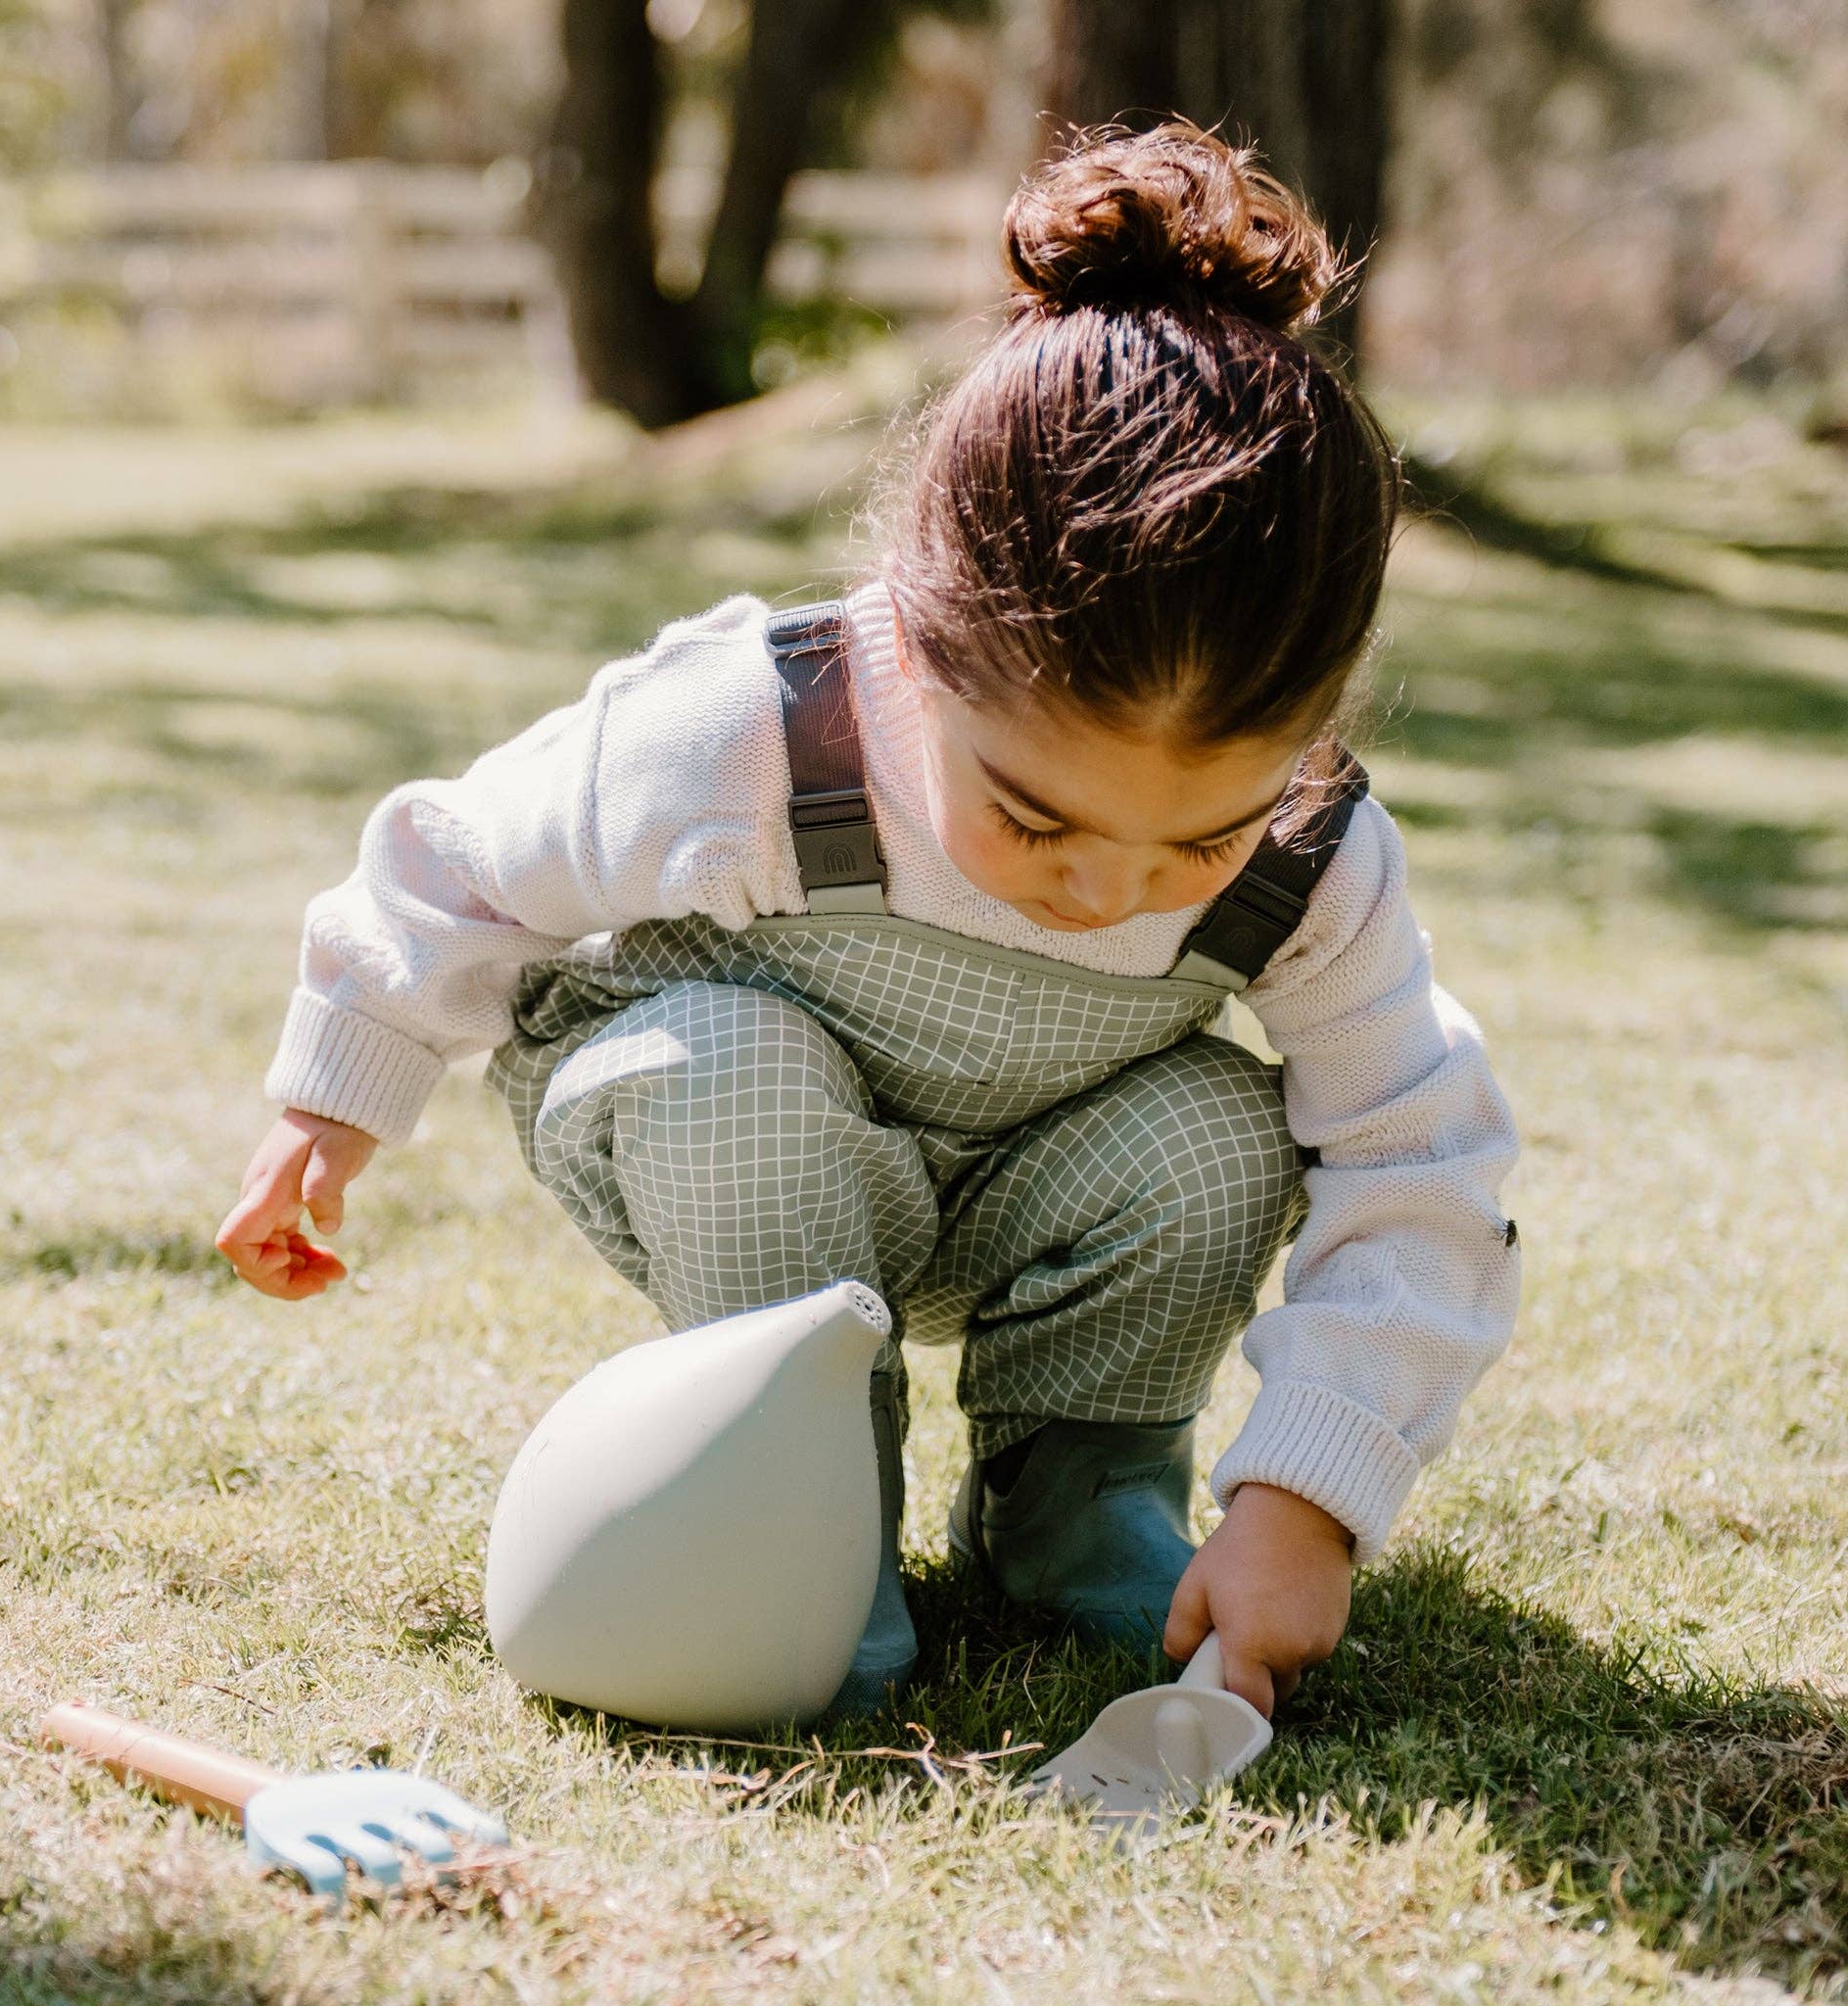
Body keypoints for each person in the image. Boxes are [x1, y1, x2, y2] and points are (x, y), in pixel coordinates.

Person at [215, 119, 1521, 1724]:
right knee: (731, 1069)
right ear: (911, 644)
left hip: (1037, 1179)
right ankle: (804, 1508)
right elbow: (462, 863)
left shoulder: (1319, 856)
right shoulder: (752, 737)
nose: (1103, 889)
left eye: (1200, 842)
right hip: (721, 1126)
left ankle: (1076, 1506)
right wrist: (333, 1102)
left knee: (1220, 1130)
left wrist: (1305, 1502)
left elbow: (1417, 1156)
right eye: (1033, 817)